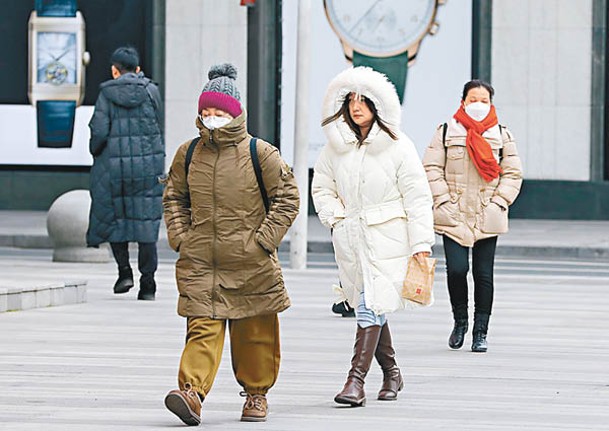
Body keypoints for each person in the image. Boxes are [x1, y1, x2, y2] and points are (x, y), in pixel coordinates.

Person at [161, 63, 299, 425]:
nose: (211, 118)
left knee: (255, 333)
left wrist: (263, 241)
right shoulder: (188, 153)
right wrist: (180, 236)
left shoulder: (261, 153)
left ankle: (256, 395)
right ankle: (191, 393)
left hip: (250, 261)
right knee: (201, 330)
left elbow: (288, 198)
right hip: (200, 261)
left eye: (219, 112)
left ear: (236, 113)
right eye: (206, 112)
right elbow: (174, 196)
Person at [312, 66, 435, 407]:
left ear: (378, 104)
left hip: (389, 238)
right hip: (351, 238)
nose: (356, 107)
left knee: (369, 304)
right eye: (350, 100)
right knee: (373, 304)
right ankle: (393, 372)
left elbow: (417, 196)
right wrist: (335, 218)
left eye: (364, 100)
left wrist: (421, 243)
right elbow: (322, 186)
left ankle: (355, 381)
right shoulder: (335, 147)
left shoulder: (398, 145)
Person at [422, 79, 523, 353]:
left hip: (486, 213)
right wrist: (443, 200)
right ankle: (460, 322)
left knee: (483, 274)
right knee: (456, 270)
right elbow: (431, 168)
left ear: (491, 103)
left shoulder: (502, 135)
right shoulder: (445, 132)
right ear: (463, 101)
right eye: (473, 99)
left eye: (484, 100)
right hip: (453, 213)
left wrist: (498, 203)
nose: (478, 105)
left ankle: (481, 332)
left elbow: (513, 173)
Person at [86, 46, 165, 301]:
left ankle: (124, 272)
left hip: (114, 169)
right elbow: (157, 127)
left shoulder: (106, 94)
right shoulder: (151, 91)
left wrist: (94, 150)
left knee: (114, 219)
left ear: (114, 70)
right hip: (146, 169)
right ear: (138, 69)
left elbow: (99, 131)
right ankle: (148, 284)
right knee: (146, 225)